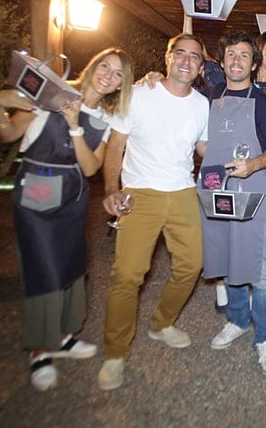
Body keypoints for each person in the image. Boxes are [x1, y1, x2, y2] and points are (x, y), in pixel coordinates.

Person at [0, 48, 133, 391]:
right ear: (93, 65)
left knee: (71, 265)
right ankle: (39, 350)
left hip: (73, 191)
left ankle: (65, 337)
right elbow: (9, 133)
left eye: (117, 75)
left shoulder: (104, 117)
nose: (108, 76)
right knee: (43, 268)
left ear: (120, 85)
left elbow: (90, 167)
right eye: (105, 67)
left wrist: (74, 127)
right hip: (38, 185)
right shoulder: (50, 93)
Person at [97, 34, 209, 391]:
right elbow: (116, 144)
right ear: (168, 57)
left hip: (182, 190)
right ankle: (115, 353)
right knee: (127, 274)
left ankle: (161, 323)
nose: (187, 61)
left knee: (192, 264)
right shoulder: (140, 94)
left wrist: (238, 161)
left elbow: (205, 149)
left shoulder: (203, 105)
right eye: (181, 54)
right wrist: (112, 189)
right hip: (139, 192)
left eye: (195, 57)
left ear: (202, 67)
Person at [201, 31, 266, 377]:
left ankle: (265, 337)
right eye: (231, 55)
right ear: (223, 61)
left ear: (254, 63)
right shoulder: (207, 97)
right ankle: (236, 319)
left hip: (252, 191)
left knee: (261, 269)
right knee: (226, 257)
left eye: (243, 56)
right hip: (216, 190)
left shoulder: (263, 101)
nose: (236, 61)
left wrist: (252, 164)